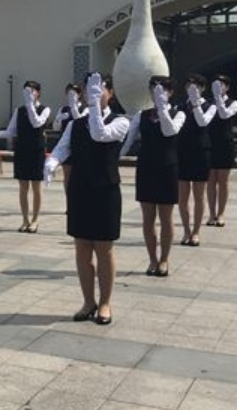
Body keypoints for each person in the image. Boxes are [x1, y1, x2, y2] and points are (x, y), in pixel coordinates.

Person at [45, 72, 128, 325]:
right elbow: (63, 148)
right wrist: (51, 162)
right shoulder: (75, 124)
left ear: (110, 93)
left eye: (99, 90)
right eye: (89, 89)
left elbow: (99, 134)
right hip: (80, 189)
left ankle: (105, 303)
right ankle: (88, 301)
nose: (93, 94)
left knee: (104, 248)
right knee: (82, 247)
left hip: (105, 190)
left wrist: (93, 107)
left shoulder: (121, 121)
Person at [120, 77, 184, 277]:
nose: (157, 93)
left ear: (170, 92)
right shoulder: (142, 115)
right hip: (146, 168)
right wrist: (114, 157)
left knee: (166, 217)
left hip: (167, 168)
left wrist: (163, 108)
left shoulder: (178, 113)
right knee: (148, 218)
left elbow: (169, 131)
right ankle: (152, 259)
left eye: (163, 90)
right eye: (154, 89)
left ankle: (164, 259)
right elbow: (128, 141)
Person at [0, 81, 51, 233]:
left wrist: (30, 105)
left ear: (38, 93)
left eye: (32, 91)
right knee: (23, 186)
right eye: (26, 91)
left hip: (36, 150)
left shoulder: (44, 109)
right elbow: (11, 131)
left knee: (36, 186)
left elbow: (36, 123)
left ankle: (35, 220)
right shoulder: (19, 110)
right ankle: (25, 219)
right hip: (22, 149)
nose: (29, 94)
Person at [176, 74, 216, 247]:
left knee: (199, 195)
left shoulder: (210, 106)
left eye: (197, 86)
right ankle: (186, 230)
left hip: (200, 152)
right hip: (183, 152)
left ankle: (196, 231)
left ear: (203, 88)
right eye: (189, 86)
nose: (192, 89)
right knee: (183, 195)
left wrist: (196, 103)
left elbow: (202, 122)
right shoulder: (179, 107)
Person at [207, 75, 237, 227]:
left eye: (222, 85)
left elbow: (224, 114)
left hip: (225, 144)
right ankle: (211, 213)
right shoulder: (209, 103)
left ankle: (221, 213)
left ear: (227, 87)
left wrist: (219, 98)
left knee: (223, 181)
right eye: (216, 84)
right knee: (211, 181)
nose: (219, 87)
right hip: (210, 144)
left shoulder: (233, 103)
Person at [52, 83, 85, 200]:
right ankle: (69, 201)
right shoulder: (63, 109)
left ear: (79, 94)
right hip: (66, 145)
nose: (71, 95)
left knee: (79, 175)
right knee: (67, 175)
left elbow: (81, 123)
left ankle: (79, 200)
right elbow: (55, 128)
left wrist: (74, 107)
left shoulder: (84, 108)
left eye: (74, 93)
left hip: (80, 145)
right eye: (69, 93)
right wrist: (58, 119)